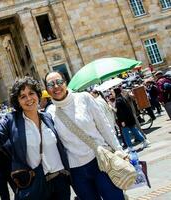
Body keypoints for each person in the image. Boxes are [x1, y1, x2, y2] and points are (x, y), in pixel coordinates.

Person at [0, 76, 71, 200]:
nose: (29, 99)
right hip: (36, 184)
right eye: (23, 96)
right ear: (18, 101)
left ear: (38, 95)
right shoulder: (11, 121)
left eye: (31, 93)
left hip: (60, 182)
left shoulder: (48, 117)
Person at [44, 71, 126, 200]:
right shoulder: (49, 112)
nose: (56, 87)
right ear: (47, 89)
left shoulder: (84, 98)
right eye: (51, 84)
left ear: (65, 83)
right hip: (76, 172)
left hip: (101, 161)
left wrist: (119, 150)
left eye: (59, 82)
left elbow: (104, 127)